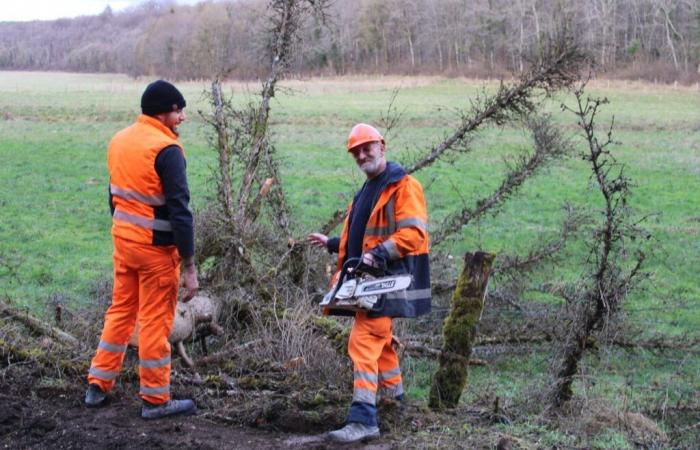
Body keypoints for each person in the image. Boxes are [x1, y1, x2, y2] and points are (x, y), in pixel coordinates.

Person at [308, 123, 431, 443]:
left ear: (382, 146)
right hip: (369, 280)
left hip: (389, 279)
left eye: (367, 148)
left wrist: (380, 253)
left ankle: (364, 419)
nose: (362, 155)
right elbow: (362, 235)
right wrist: (334, 243)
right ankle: (395, 401)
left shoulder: (404, 186)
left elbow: (414, 234)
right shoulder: (367, 189)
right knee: (382, 343)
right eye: (356, 152)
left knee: (363, 343)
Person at [84, 80, 199, 420]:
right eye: (179, 111)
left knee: (120, 312)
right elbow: (180, 211)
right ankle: (155, 399)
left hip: (124, 244)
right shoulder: (168, 150)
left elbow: (114, 196)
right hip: (156, 253)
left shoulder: (119, 140)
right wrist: (190, 265)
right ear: (164, 112)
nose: (182, 118)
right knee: (154, 322)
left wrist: (126, 234)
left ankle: (97, 386)